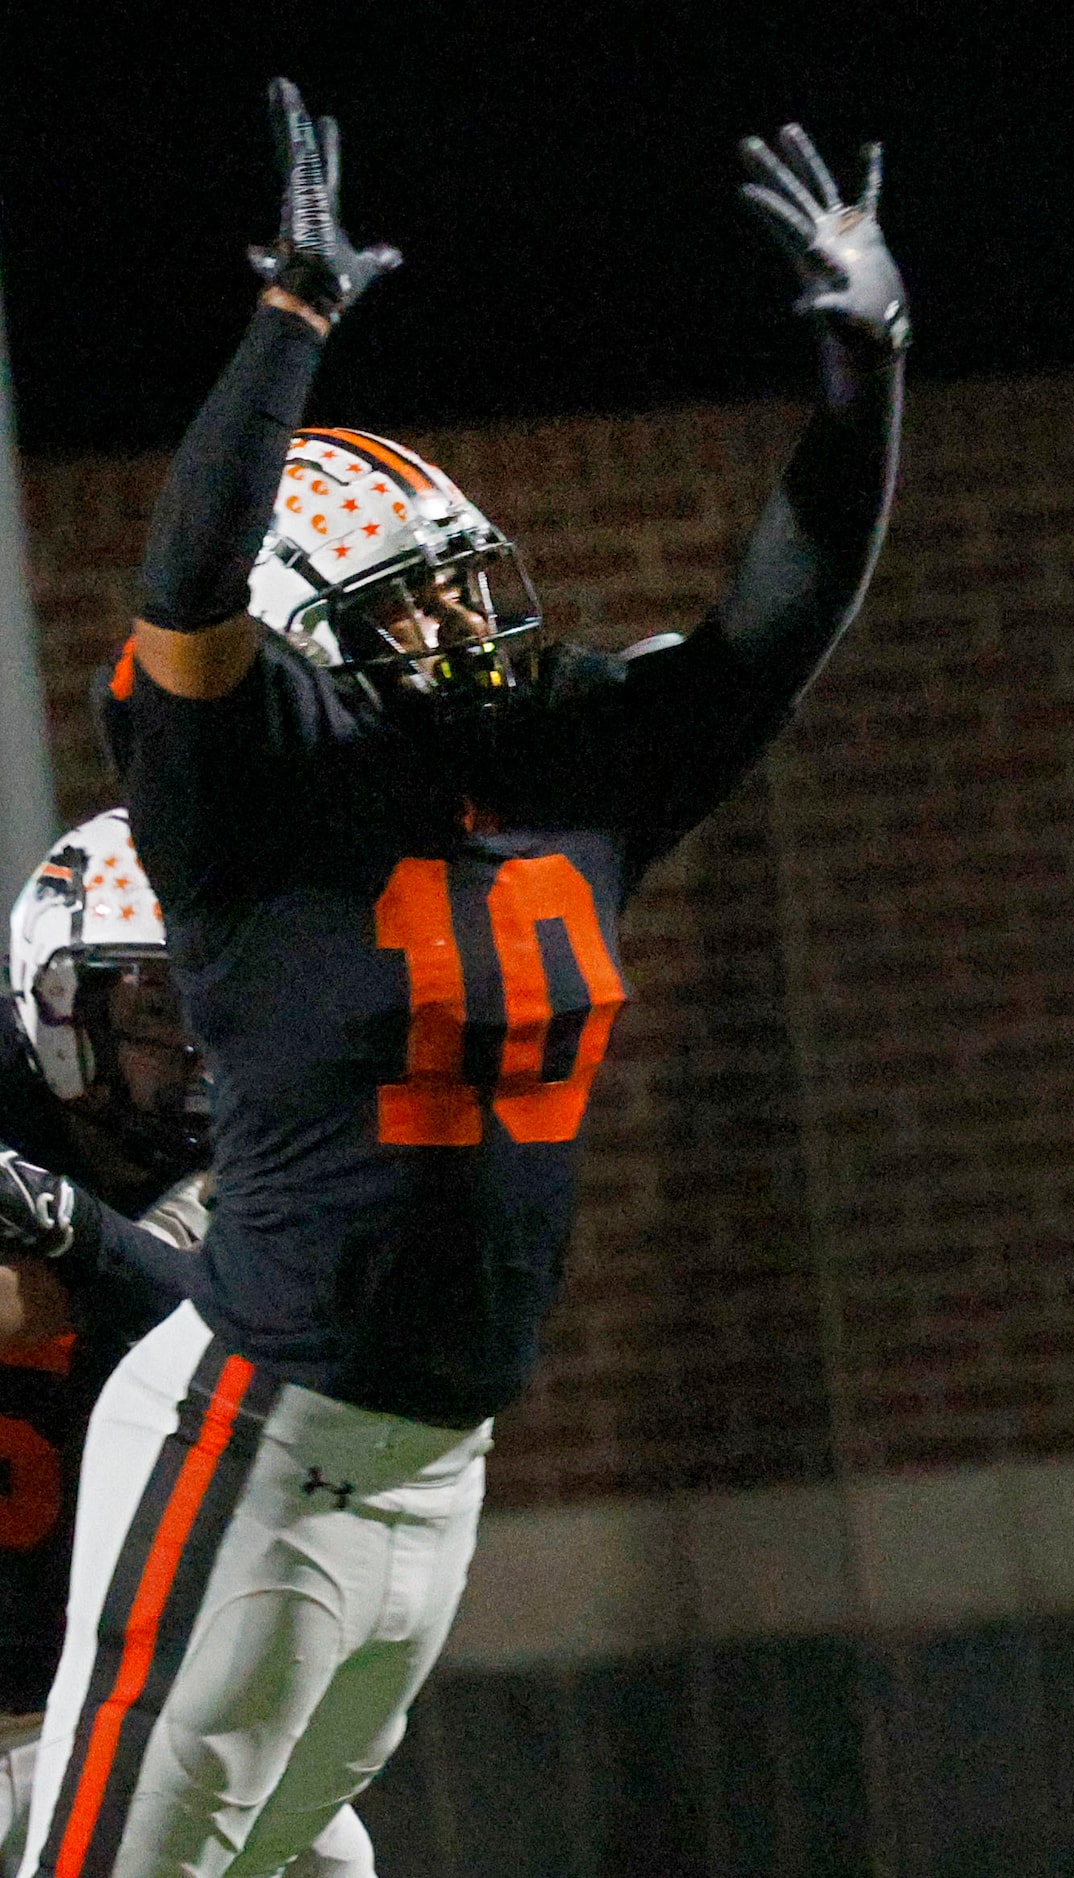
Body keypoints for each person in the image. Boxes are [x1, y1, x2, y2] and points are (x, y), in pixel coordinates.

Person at [15, 79, 907, 1878]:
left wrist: (870, 373)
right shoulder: (254, 803)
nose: (472, 620)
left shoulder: (575, 763)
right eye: (415, 603)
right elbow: (186, 589)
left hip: (435, 1454)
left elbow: (774, 623)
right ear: (319, 632)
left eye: (465, 583)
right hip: (249, 1435)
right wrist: (286, 329)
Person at [0, 813, 374, 1878]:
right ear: (63, 1004)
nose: (200, 1048)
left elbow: (208, 1301)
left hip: (144, 1708)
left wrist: (69, 1234)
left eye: (220, 1004)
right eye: (162, 1007)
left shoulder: (281, 1126)